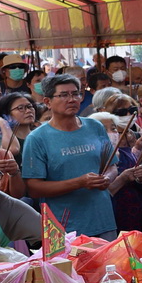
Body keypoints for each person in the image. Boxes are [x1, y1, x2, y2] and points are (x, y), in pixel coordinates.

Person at [21, 75, 116, 238]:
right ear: (47, 102)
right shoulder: (37, 138)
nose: (72, 99)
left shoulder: (95, 126)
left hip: (103, 219)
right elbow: (34, 188)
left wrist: (106, 178)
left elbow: (112, 166)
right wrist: (79, 182)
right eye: (64, 95)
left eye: (76, 94)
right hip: (65, 227)